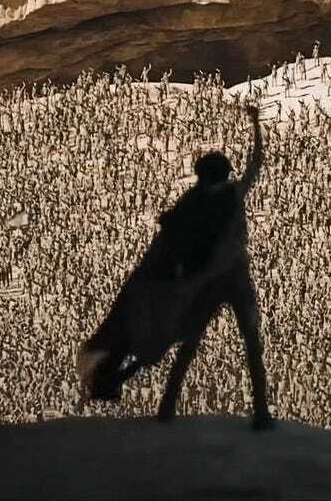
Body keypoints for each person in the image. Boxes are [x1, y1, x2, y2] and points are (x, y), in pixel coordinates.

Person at [77, 104, 275, 430]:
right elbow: (256, 164)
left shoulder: (192, 202)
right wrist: (256, 126)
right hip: (234, 278)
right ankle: (261, 413)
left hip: (204, 283)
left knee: (188, 342)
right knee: (250, 341)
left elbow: (168, 243)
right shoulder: (232, 195)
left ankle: (164, 406)